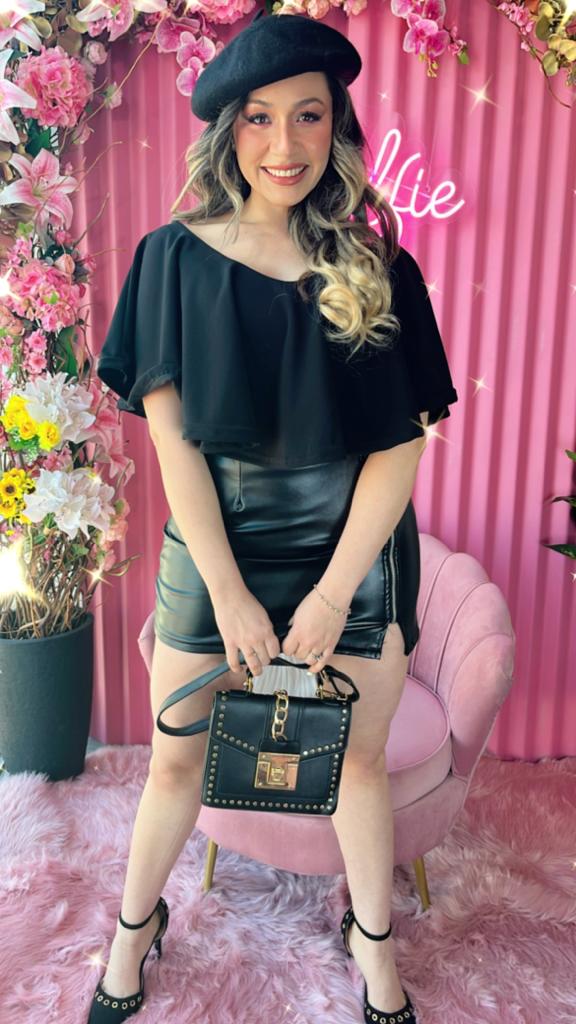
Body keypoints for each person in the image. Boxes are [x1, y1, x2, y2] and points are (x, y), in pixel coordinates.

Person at [90, 10, 458, 1024]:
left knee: (359, 762)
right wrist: (228, 593)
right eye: (259, 118)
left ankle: (373, 944)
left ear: (337, 125)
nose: (285, 144)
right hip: (219, 544)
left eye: (309, 115)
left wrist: (334, 594)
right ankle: (133, 930)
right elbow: (174, 443)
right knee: (176, 759)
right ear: (228, 130)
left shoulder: (381, 267)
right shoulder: (170, 259)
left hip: (356, 552)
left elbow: (401, 445)